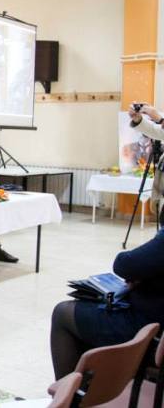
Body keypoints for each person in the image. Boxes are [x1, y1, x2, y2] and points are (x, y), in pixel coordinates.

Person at [48, 102, 164, 379]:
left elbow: (124, 264)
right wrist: (143, 120)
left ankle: (72, 392)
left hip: (150, 323)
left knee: (65, 312)